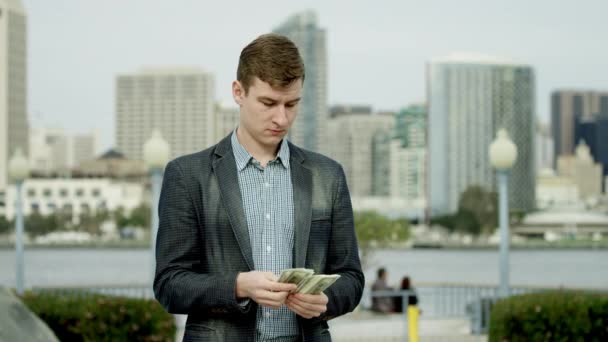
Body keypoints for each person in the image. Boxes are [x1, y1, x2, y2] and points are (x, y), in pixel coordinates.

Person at [153, 33, 364, 341]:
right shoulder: (187, 176)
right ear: (238, 92)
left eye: (291, 104)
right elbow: (170, 285)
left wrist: (325, 300)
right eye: (268, 103)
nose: (281, 118)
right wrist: (239, 286)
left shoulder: (328, 176)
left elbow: (352, 279)